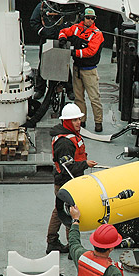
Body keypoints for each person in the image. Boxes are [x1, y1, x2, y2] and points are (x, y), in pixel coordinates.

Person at [46, 103, 98, 254]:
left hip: (68, 181)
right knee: (71, 212)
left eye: (79, 119)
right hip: (67, 183)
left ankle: (52, 241)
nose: (78, 122)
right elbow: (67, 168)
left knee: (59, 211)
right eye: (74, 120)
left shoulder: (68, 135)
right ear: (67, 122)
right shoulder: (64, 143)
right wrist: (85, 164)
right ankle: (72, 248)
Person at [58, 7, 105, 132]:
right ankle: (82, 121)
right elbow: (63, 31)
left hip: (89, 71)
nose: (90, 20)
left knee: (94, 98)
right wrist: (62, 38)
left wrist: (74, 53)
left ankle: (98, 122)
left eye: (92, 18)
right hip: (77, 69)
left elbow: (91, 52)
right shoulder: (76, 28)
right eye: (87, 18)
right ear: (83, 18)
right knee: (79, 97)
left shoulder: (97, 34)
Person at [68, 205, 127, 276]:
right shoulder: (113, 272)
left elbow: (73, 242)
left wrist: (75, 219)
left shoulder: (81, 256)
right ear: (111, 248)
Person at [30, 0, 75, 101]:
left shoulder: (68, 6)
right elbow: (34, 22)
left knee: (65, 63)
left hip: (62, 39)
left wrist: (65, 32)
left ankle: (69, 89)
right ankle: (40, 89)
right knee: (43, 63)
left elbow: (74, 22)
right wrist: (44, 32)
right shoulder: (42, 6)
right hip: (46, 39)